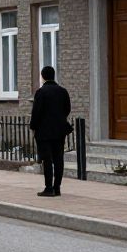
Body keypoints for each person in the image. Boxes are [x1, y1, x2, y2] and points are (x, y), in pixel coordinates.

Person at [29, 65, 71, 197]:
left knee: (47, 160)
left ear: (42, 77)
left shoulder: (41, 92)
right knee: (59, 159)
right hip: (59, 130)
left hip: (44, 132)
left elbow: (36, 112)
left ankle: (48, 187)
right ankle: (57, 187)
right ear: (53, 76)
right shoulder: (63, 91)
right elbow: (67, 109)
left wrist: (33, 126)